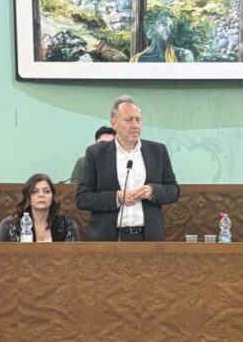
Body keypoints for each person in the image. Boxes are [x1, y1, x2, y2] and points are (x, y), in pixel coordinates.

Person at [77, 96, 180, 241]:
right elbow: (83, 198)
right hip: (109, 238)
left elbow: (173, 190)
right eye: (129, 120)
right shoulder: (96, 154)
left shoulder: (158, 151)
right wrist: (116, 197)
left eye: (138, 119)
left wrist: (152, 191)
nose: (135, 125)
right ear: (114, 123)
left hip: (148, 238)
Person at [0, 173, 78, 242]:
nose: (41, 195)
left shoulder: (66, 224)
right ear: (28, 197)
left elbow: (73, 254)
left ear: (52, 196)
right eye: (35, 191)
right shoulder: (13, 225)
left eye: (46, 191)